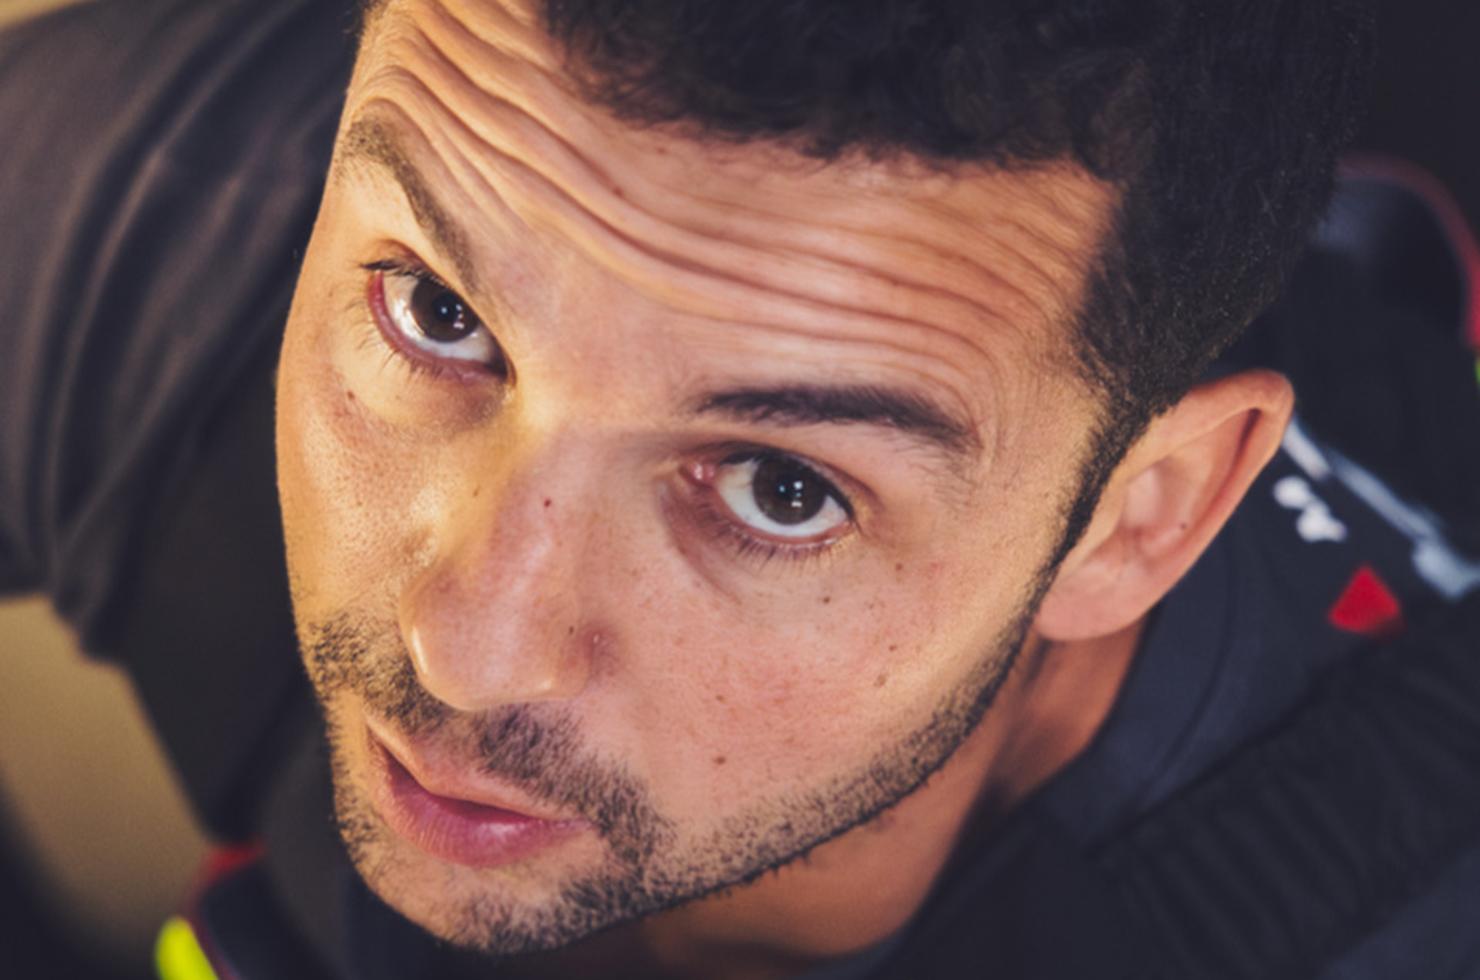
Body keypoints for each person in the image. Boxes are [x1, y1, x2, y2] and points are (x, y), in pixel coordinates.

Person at [1, 0, 1477, 978]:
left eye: (780, 488)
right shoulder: (177, 198)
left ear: (1136, 521)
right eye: (439, 315)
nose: (467, 647)